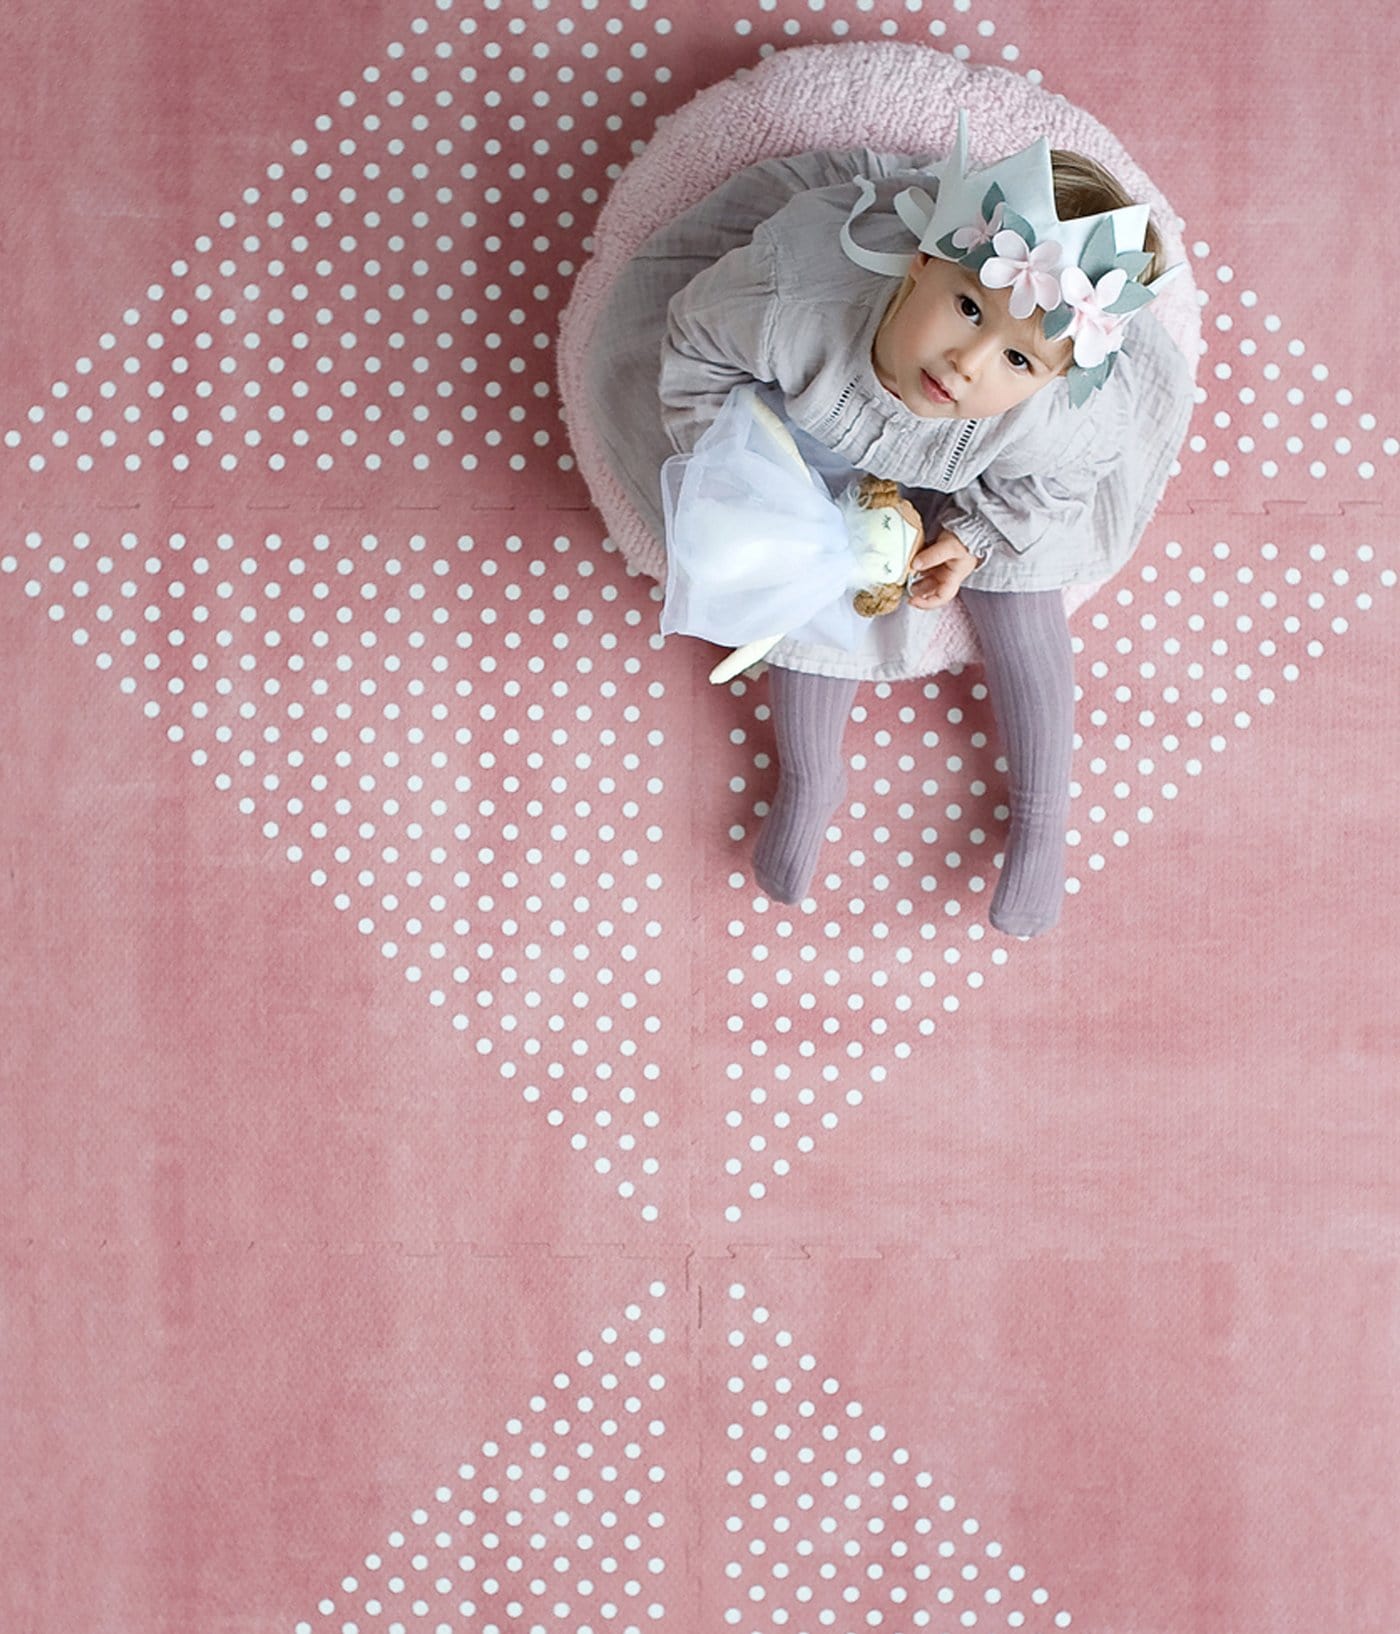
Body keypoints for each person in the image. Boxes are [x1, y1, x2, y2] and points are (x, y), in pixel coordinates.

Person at [583, 116, 1194, 936]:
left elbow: (1065, 479)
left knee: (1023, 574)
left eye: (1017, 359)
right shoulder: (797, 306)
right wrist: (764, 486)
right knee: (819, 560)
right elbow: (695, 347)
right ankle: (811, 779)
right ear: (922, 266)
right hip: (815, 415)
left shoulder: (1050, 417)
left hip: (981, 455)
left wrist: (971, 540)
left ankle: (1042, 818)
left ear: (1049, 379)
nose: (967, 363)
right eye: (967, 308)